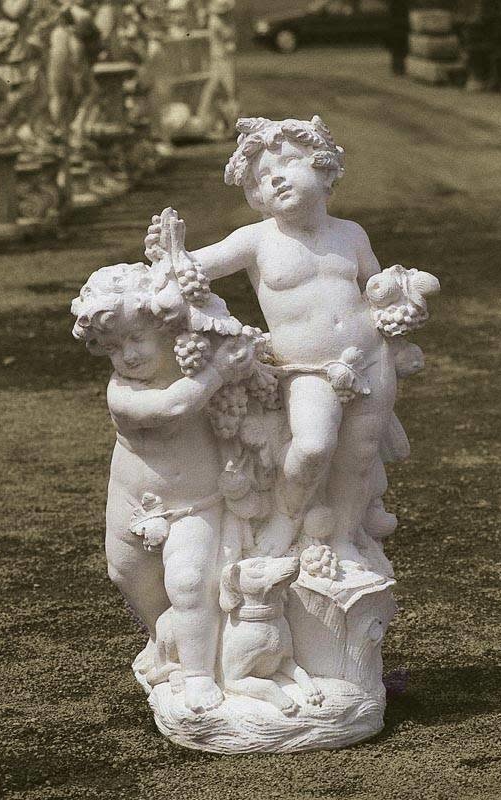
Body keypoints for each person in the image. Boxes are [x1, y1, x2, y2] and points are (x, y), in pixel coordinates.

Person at [146, 116, 397, 561]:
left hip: (371, 359)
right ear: (256, 194)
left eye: (289, 162)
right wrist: (170, 254)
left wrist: (400, 303)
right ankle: (287, 515)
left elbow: (377, 290)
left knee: (358, 456)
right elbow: (191, 268)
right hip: (308, 370)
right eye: (263, 175)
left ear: (324, 168)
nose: (276, 177)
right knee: (313, 447)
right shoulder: (257, 240)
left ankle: (342, 538)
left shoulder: (351, 234)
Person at [71, 259, 251, 713]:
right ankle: (162, 638)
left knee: (188, 583)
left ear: (166, 330)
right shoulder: (122, 393)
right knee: (124, 573)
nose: (128, 355)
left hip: (194, 504)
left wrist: (239, 362)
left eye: (136, 338)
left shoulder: (197, 361)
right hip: (132, 504)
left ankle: (198, 674)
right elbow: (171, 409)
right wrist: (219, 374)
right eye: (113, 347)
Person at [387, 0, 409, 76]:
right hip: (400, 28)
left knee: (397, 50)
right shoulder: (402, 4)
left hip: (396, 28)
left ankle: (397, 69)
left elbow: (390, 16)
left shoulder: (393, 4)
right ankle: (399, 69)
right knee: (400, 50)